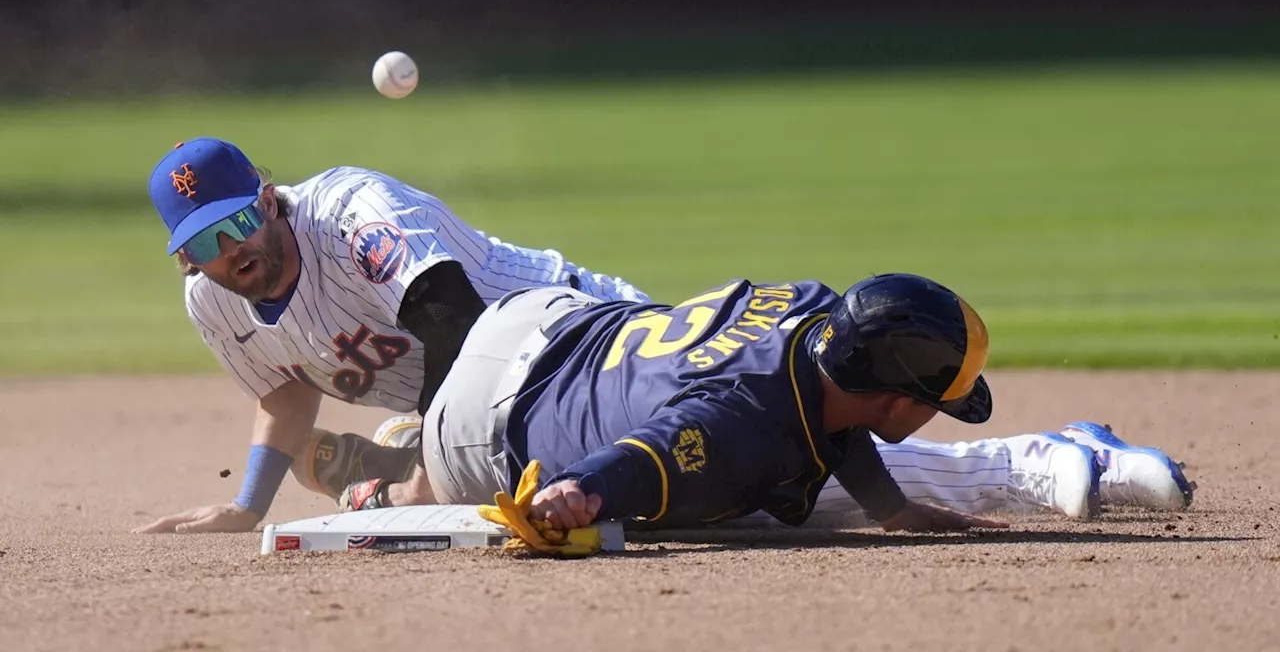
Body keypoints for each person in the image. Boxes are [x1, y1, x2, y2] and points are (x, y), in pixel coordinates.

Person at [355, 273, 1194, 537]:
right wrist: (584, 494)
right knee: (724, 507)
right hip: (478, 422)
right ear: (897, 401)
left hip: (547, 316)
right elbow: (660, 453)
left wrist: (893, 508)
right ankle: (406, 464)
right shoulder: (745, 423)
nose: (937, 411)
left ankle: (391, 466)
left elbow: (833, 420)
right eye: (935, 399)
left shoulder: (818, 317)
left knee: (773, 477)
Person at [133, 137, 648, 534]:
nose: (229, 247)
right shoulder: (212, 299)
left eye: (238, 219)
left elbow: (453, 322)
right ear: (185, 257)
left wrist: (427, 480)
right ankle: (418, 454)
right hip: (499, 407)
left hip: (584, 337)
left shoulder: (351, 214)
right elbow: (285, 389)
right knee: (547, 493)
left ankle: (405, 465)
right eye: (204, 240)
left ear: (268, 202)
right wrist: (247, 505)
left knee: (631, 483)